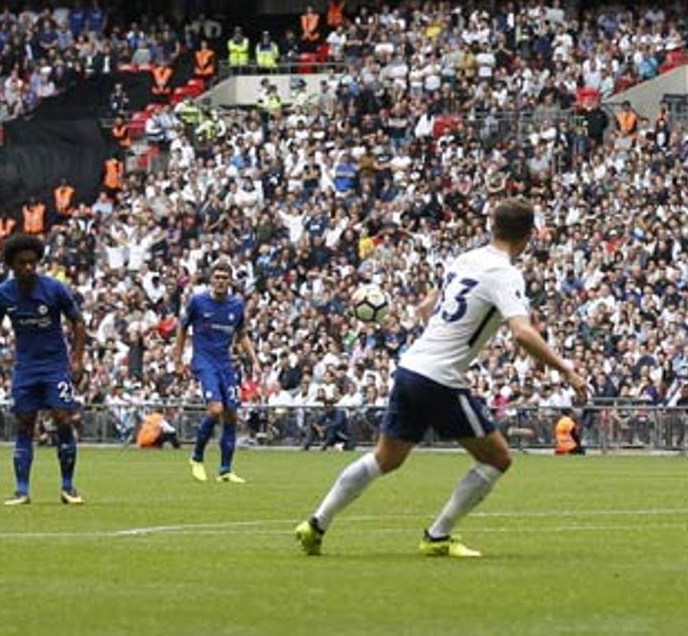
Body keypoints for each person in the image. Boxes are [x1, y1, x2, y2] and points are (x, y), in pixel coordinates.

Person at [294, 197, 587, 559]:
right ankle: (437, 536)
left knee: (386, 458)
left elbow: (427, 307)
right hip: (440, 377)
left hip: (411, 367)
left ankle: (316, 524)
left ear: (492, 227)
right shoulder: (506, 274)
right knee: (498, 458)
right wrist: (567, 370)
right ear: (529, 236)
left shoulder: (466, 259)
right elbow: (522, 333)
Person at [0, 232, 89, 507]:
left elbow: (77, 322)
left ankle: (68, 486)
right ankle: (21, 490)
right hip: (25, 368)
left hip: (55, 366)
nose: (28, 267)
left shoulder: (54, 289)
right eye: (22, 263)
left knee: (63, 419)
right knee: (25, 423)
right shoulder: (3, 294)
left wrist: (77, 360)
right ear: (12, 265)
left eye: (32, 262)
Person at [174, 257, 255, 484]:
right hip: (203, 360)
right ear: (211, 279)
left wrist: (254, 359)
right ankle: (197, 456)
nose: (220, 281)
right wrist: (177, 360)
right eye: (217, 277)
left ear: (230, 281)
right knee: (215, 409)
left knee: (231, 414)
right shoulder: (197, 302)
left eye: (224, 278)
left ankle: (225, 470)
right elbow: (182, 328)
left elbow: (242, 335)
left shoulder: (236, 305)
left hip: (225, 363)